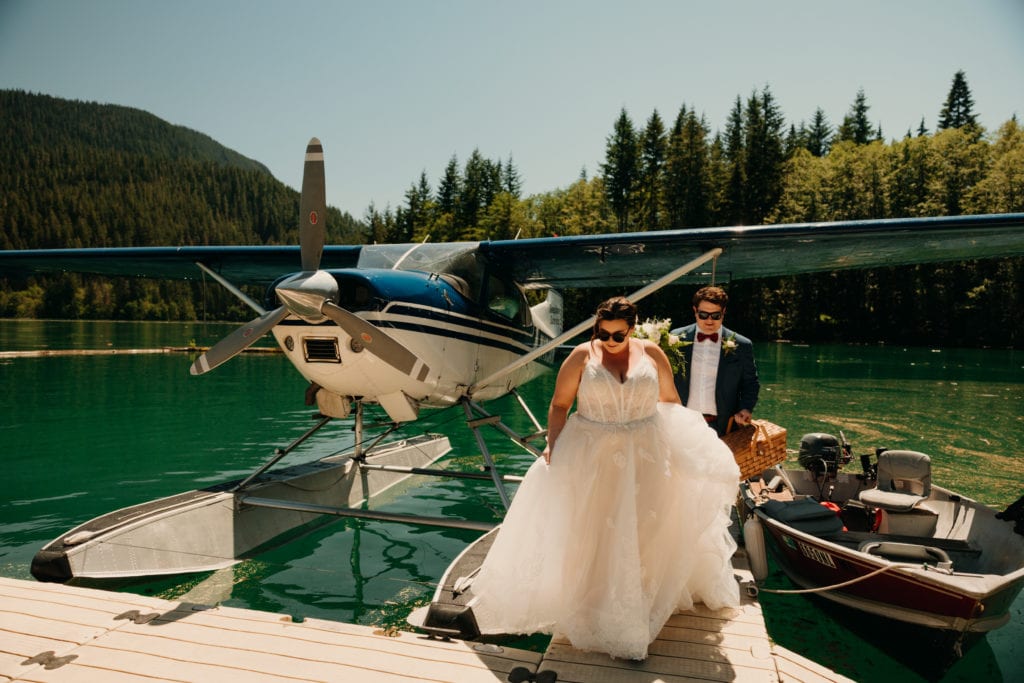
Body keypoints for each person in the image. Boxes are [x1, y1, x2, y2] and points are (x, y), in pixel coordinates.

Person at [467, 296, 740, 661]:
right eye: (604, 333)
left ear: (632, 328)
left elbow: (670, 401)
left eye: (619, 335)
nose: (610, 340)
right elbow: (559, 406)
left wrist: (688, 444)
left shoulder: (653, 355)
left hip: (645, 451)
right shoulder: (581, 356)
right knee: (594, 527)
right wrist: (554, 445)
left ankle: (635, 604)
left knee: (644, 528)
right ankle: (592, 603)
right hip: (592, 452)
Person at [671, 286, 760, 437]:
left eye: (715, 315)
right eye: (703, 315)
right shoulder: (675, 338)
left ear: (724, 312)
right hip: (680, 424)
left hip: (721, 427)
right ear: (695, 310)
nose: (709, 320)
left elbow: (750, 383)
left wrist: (745, 409)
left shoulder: (742, 345)